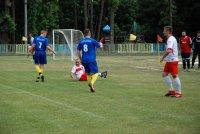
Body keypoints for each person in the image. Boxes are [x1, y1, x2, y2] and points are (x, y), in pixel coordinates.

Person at [160, 26, 182, 98]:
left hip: (172, 61)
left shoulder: (170, 39)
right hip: (169, 61)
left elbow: (169, 50)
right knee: (164, 74)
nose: (163, 32)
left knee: (174, 75)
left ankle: (179, 92)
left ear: (168, 32)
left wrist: (162, 58)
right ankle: (171, 90)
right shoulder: (170, 39)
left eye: (164, 31)